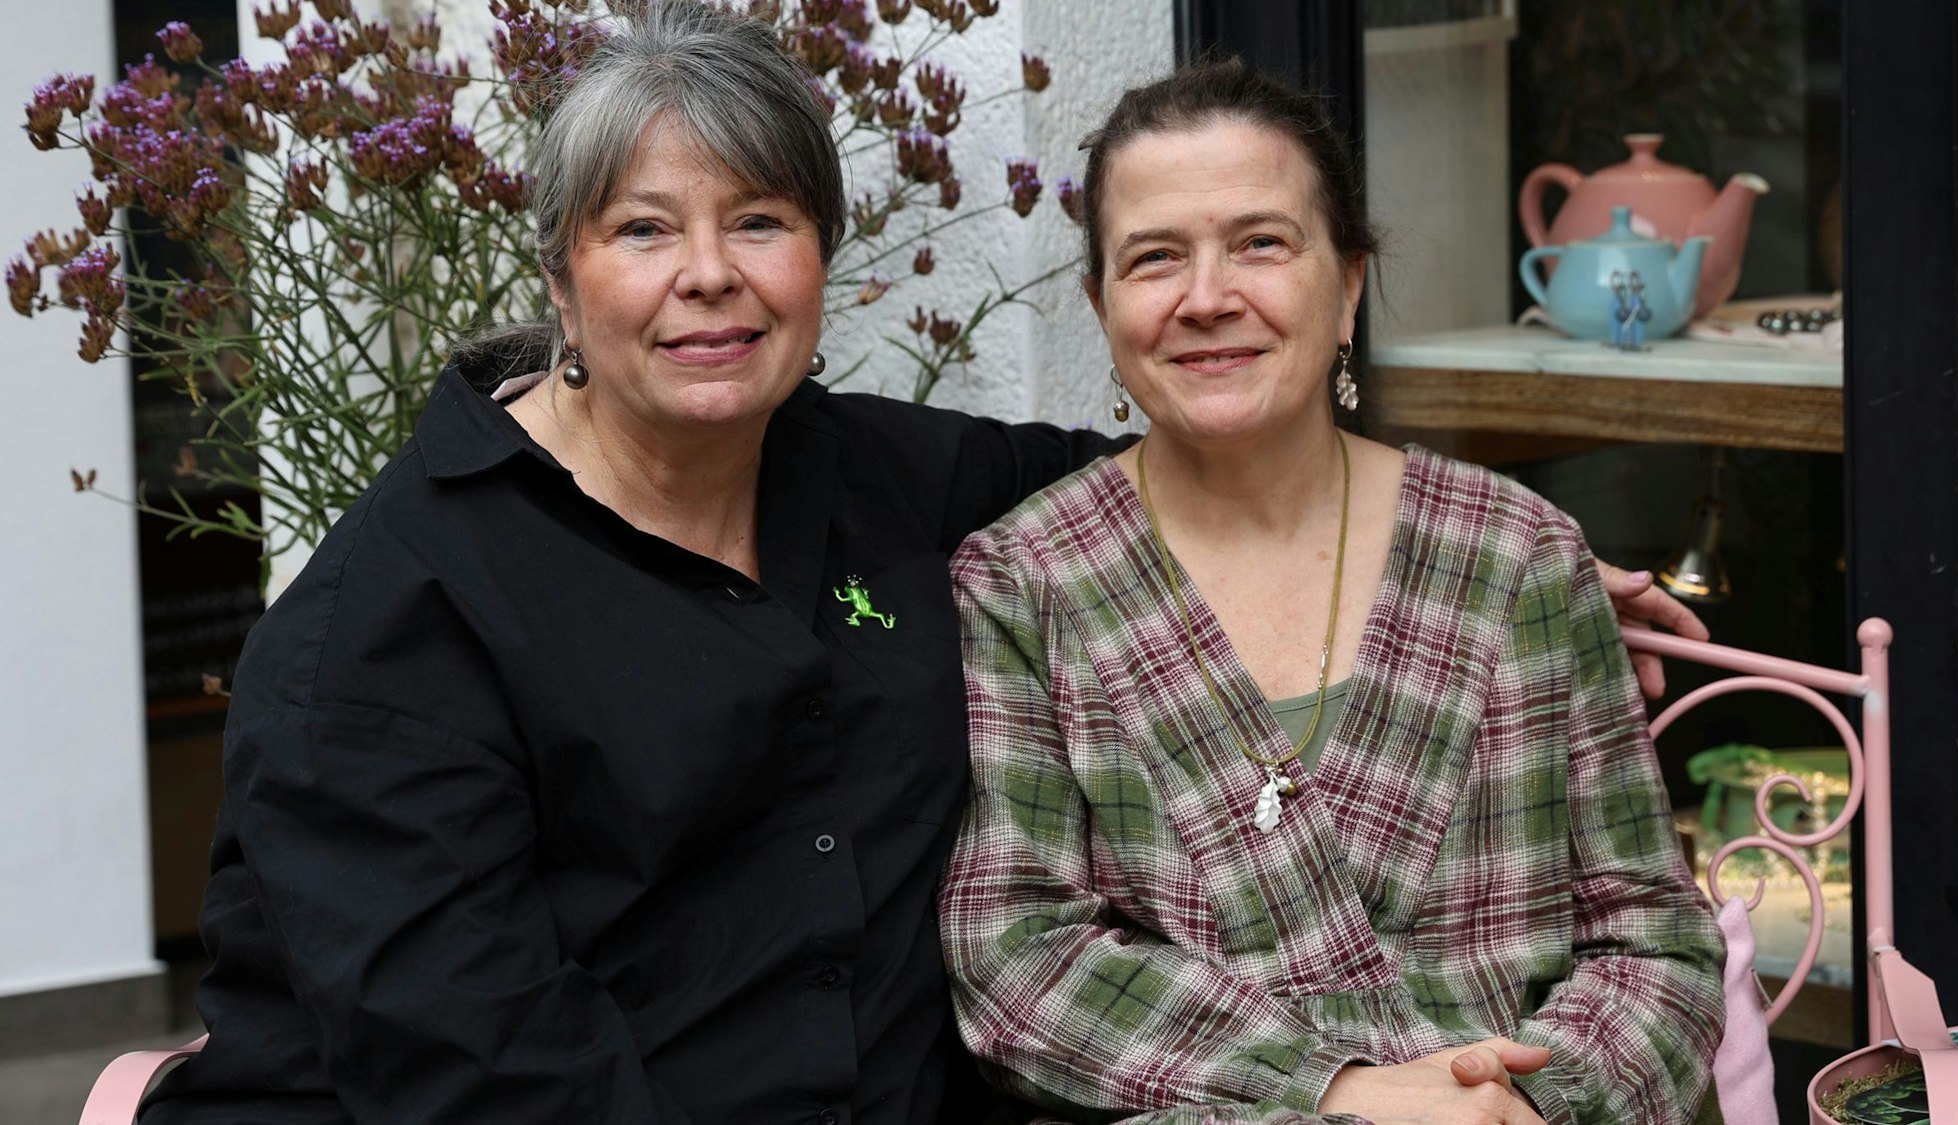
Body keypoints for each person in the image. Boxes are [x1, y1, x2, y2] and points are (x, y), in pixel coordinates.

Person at [141, 6, 1702, 1122]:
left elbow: (1188, 464)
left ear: (824, 256)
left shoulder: (881, 478)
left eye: (760, 220)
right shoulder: (388, 620)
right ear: (558, 272)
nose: (708, 277)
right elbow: (477, 1065)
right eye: (642, 230)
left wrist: (1498, 562)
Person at [939, 60, 1726, 1125]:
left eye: (1261, 243)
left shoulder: (1513, 557)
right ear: (1101, 306)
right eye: (1153, 258)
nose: (1207, 296)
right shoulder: (1028, 582)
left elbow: (1651, 937)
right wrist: (1345, 1095)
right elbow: (1016, 959)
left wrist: (1523, 1111)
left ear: (1349, 282)